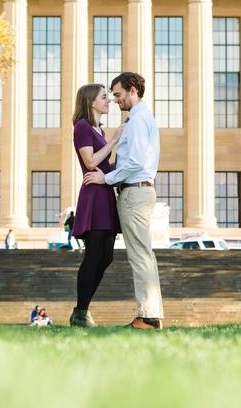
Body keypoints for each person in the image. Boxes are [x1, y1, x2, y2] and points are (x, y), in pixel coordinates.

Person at [82, 72, 163, 330]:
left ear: (132, 91)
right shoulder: (138, 119)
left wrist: (105, 178)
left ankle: (148, 315)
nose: (115, 100)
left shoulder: (138, 121)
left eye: (117, 94)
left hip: (135, 192)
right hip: (138, 191)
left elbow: (135, 163)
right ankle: (151, 314)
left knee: (139, 256)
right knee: (143, 255)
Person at [69, 83, 123, 328]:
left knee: (107, 256)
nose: (109, 100)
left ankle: (83, 310)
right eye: (104, 97)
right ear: (91, 101)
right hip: (93, 197)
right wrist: (113, 141)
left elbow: (106, 167)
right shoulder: (82, 127)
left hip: (106, 194)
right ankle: (80, 312)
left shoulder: (97, 130)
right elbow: (90, 162)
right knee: (93, 256)